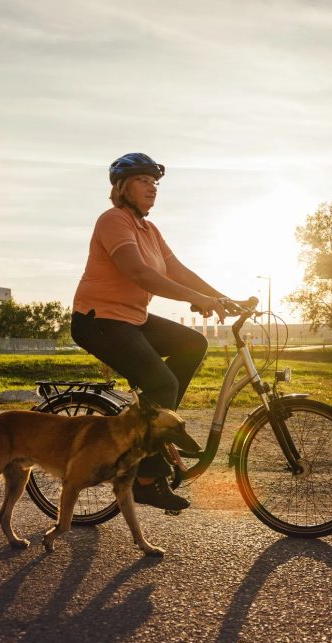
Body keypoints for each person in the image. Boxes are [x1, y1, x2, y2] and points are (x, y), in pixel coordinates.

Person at [70, 152, 237, 511]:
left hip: (132, 318)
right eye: (143, 181)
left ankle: (154, 426)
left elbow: (177, 270)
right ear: (121, 187)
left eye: (155, 182)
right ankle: (147, 476)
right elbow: (140, 274)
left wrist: (221, 297)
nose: (152, 188)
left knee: (193, 342)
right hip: (99, 321)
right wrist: (196, 299)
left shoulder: (150, 230)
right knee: (163, 383)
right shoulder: (113, 220)